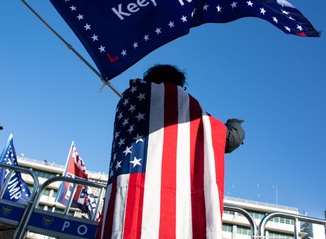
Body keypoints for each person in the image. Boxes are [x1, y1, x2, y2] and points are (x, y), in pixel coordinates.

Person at [96, 64, 245, 239]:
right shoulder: (185, 106)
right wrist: (235, 124)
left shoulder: (129, 101)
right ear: (180, 86)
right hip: (170, 206)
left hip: (127, 207)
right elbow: (230, 139)